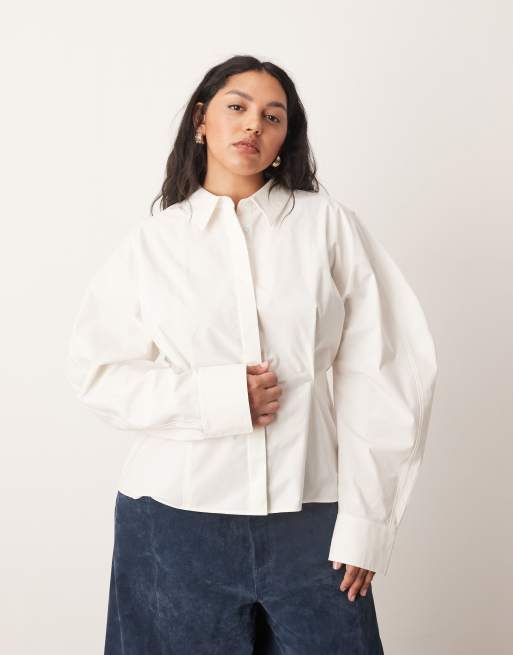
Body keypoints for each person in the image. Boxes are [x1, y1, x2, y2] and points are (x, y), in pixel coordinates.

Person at [66, 54, 438, 654]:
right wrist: (216, 398)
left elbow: (387, 371)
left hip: (313, 519)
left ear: (286, 136)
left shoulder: (327, 226)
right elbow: (97, 373)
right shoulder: (154, 243)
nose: (252, 125)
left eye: (272, 116)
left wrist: (369, 523)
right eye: (236, 107)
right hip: (173, 523)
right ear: (201, 121)